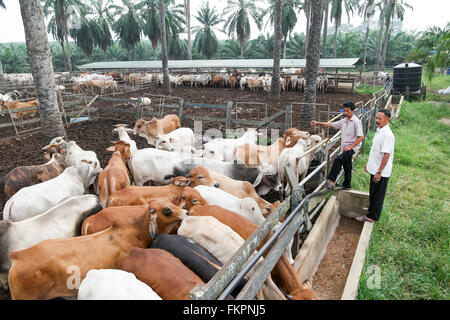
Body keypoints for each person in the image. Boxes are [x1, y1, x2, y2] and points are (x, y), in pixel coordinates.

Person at [311, 101, 364, 190]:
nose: (346, 113)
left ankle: (331, 182)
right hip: (345, 147)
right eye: (344, 111)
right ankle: (347, 185)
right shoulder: (344, 121)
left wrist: (351, 147)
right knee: (347, 166)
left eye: (348, 111)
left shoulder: (356, 122)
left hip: (352, 147)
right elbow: (332, 124)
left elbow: (361, 137)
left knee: (337, 160)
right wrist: (318, 123)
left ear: (353, 110)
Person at [357, 109, 395, 222]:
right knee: (373, 192)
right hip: (375, 168)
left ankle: (372, 216)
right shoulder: (380, 130)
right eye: (377, 118)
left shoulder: (387, 135)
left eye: (380, 118)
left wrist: (379, 172)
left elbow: (386, 155)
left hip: (381, 171)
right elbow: (375, 151)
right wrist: (368, 164)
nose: (377, 120)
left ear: (387, 119)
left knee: (378, 195)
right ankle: (371, 210)